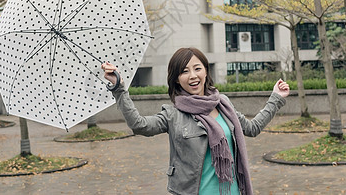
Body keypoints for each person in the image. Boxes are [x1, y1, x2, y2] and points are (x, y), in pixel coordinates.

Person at [101, 47, 290, 195]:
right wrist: (119, 89)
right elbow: (139, 125)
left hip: (232, 191)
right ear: (176, 80)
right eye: (184, 71)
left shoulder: (223, 104)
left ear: (206, 72)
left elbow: (252, 128)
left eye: (197, 68)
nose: (192, 75)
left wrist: (276, 98)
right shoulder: (173, 115)